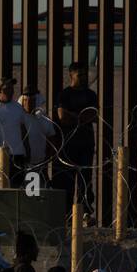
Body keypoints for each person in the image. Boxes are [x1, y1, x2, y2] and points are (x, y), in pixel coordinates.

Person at [54, 62, 99, 215]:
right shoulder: (65, 94)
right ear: (71, 75)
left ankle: (84, 212)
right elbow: (62, 116)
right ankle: (66, 213)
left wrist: (73, 116)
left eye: (85, 75)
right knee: (67, 180)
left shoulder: (90, 94)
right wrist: (80, 117)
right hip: (68, 144)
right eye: (80, 75)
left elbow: (92, 115)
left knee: (85, 179)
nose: (83, 78)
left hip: (86, 143)